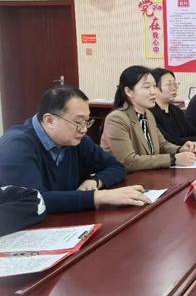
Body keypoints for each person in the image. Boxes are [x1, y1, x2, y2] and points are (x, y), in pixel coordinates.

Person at [0, 85, 148, 212]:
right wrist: (100, 196)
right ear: (49, 120)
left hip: (69, 220)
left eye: (86, 121)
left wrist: (96, 181)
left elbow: (116, 167)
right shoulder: (16, 146)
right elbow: (34, 201)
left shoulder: (77, 140)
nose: (84, 129)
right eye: (78, 122)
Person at [101, 66, 196, 172]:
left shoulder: (148, 114)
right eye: (147, 87)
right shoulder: (116, 119)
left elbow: (162, 145)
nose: (153, 92)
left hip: (148, 174)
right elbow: (128, 161)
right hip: (125, 179)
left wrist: (180, 149)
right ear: (129, 91)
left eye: (154, 86)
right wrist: (173, 159)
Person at [150, 68, 196, 147]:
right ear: (154, 88)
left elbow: (191, 131)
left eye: (175, 84)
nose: (174, 88)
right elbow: (169, 141)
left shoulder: (175, 110)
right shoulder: (150, 113)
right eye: (169, 85)